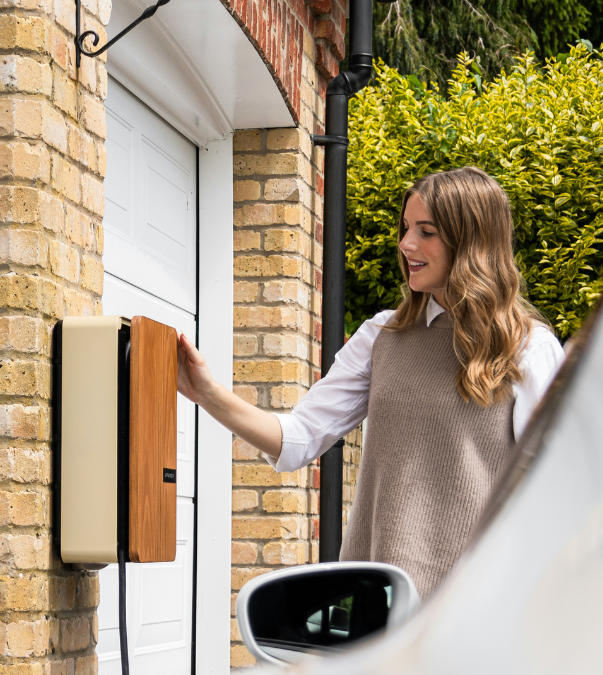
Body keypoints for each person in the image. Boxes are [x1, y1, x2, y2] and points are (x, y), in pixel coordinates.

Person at [177, 166, 565, 598]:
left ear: (471, 242)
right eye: (406, 228)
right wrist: (205, 392)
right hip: (379, 602)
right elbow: (299, 437)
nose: (406, 244)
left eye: (426, 232)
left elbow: (555, 491)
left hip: (472, 606)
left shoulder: (529, 348)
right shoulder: (382, 336)